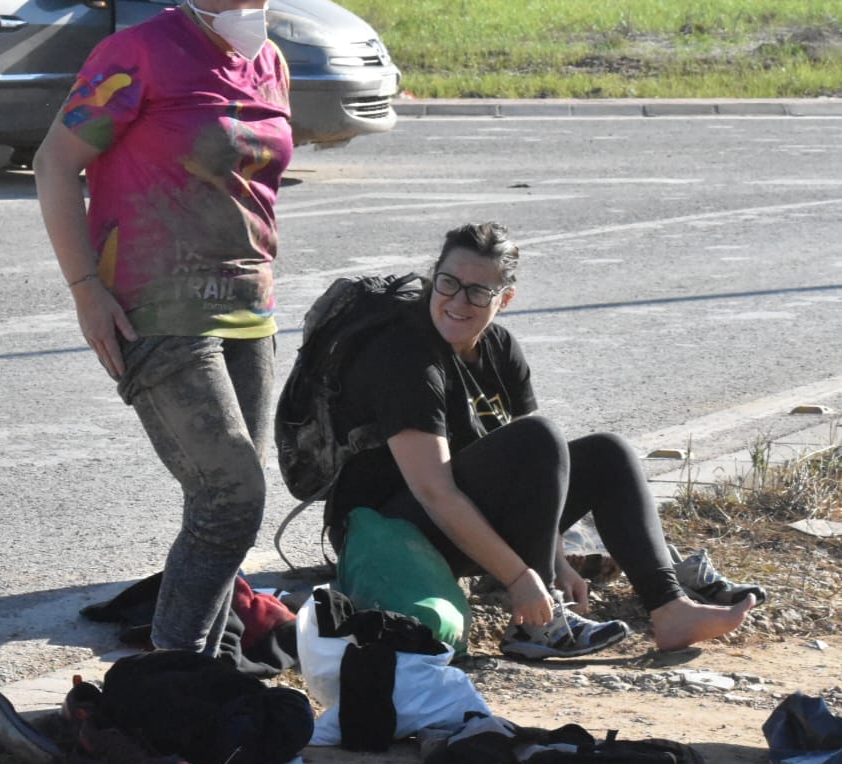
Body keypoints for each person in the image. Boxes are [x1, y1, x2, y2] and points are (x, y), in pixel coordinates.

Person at [34, 0, 300, 654]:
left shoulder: (271, 63)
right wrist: (86, 290)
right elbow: (55, 165)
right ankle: (177, 681)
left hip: (251, 309)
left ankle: (203, 669)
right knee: (230, 497)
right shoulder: (139, 54)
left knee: (224, 509)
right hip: (158, 308)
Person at [326, 221, 761, 660]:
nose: (458, 302)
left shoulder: (498, 347)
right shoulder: (405, 358)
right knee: (539, 435)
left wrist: (556, 558)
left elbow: (537, 472)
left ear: (505, 299)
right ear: (433, 278)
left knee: (606, 453)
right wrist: (523, 579)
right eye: (448, 283)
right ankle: (538, 624)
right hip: (388, 532)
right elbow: (434, 492)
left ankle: (670, 608)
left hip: (460, 520)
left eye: (479, 291)